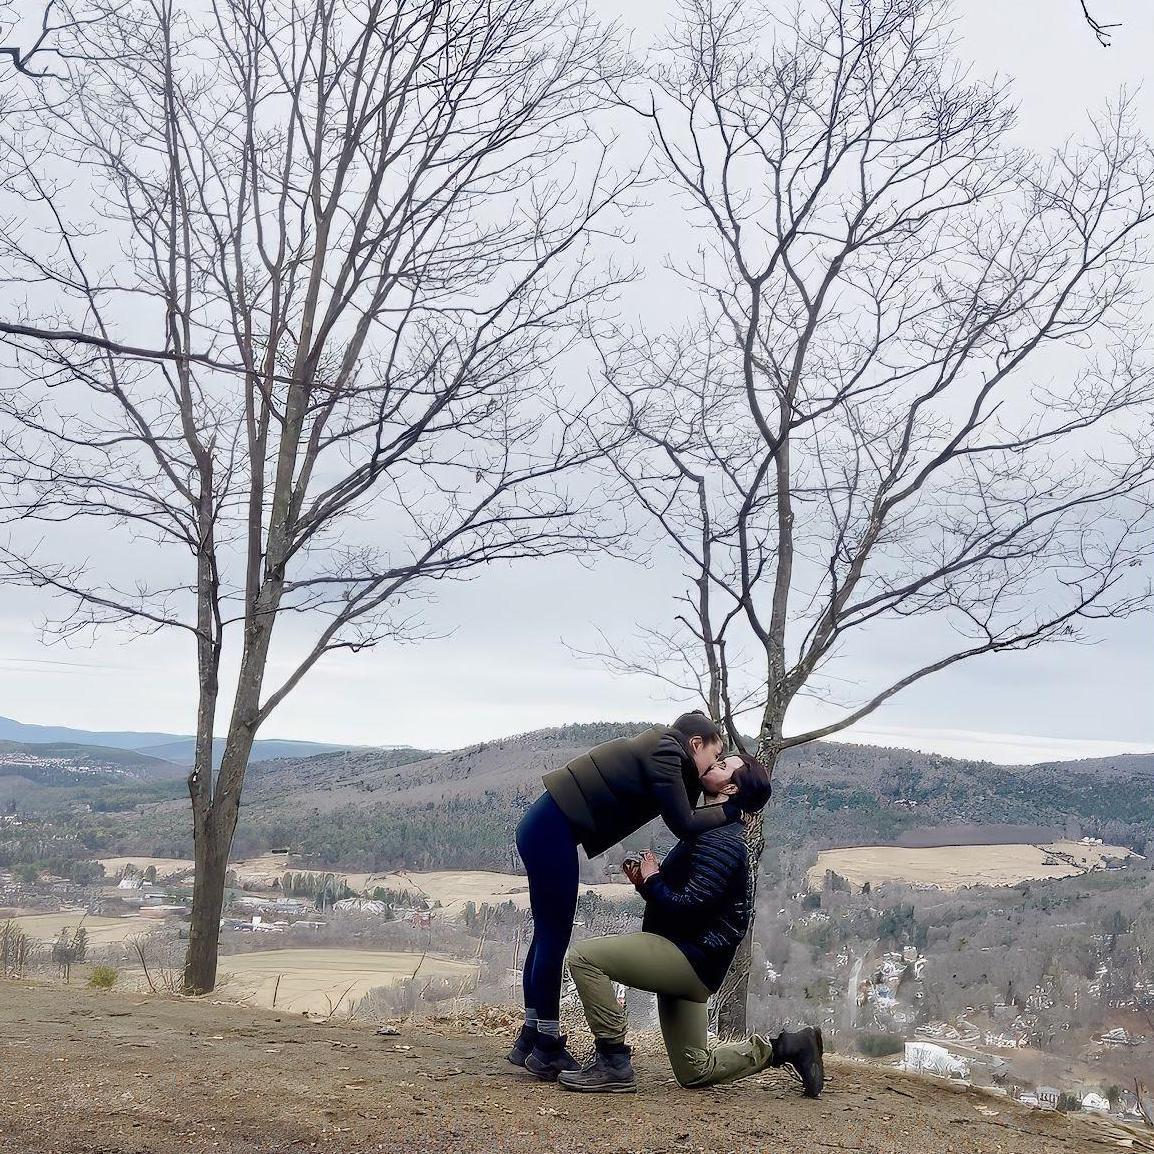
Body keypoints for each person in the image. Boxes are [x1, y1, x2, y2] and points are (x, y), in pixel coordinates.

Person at [557, 754, 825, 1098]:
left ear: (729, 787)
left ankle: (612, 1061)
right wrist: (646, 884)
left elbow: (690, 906)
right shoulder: (712, 829)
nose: (712, 766)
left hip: (686, 957)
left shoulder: (722, 841)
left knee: (583, 958)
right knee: (695, 1070)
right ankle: (790, 1047)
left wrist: (654, 881)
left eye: (723, 766)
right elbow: (693, 900)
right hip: (695, 961)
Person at [509, 712, 743, 1079]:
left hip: (545, 828)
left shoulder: (662, 749)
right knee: (554, 937)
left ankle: (531, 1037)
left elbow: (688, 811)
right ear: (695, 744)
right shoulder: (668, 752)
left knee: (546, 936)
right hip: (551, 832)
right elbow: (683, 822)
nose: (709, 768)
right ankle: (547, 1047)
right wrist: (732, 810)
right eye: (712, 758)